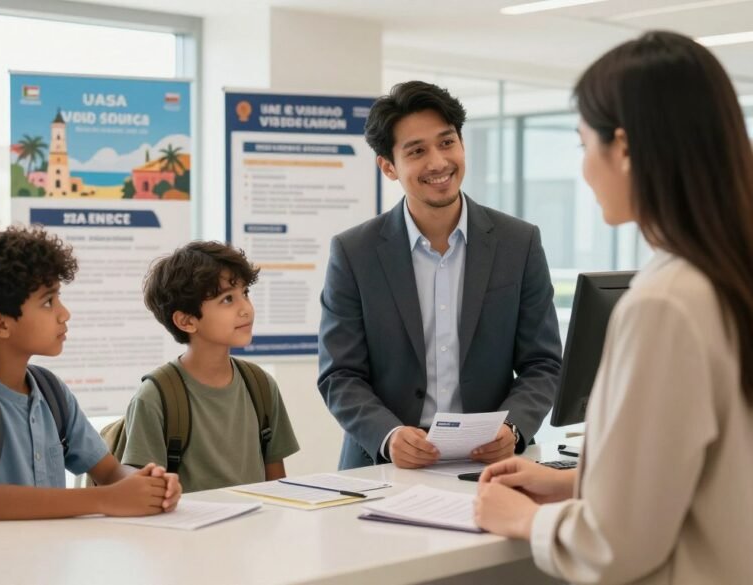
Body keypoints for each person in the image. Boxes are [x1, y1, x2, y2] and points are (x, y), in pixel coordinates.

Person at [474, 31, 753, 584]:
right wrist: (582, 480)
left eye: (582, 145)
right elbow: (721, 473)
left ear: (622, 148)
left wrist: (526, 519)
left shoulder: (667, 303)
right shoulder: (728, 278)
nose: (584, 169)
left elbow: (615, 546)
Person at [318, 81, 562, 470]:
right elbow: (340, 374)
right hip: (384, 467)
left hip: (488, 465)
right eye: (416, 151)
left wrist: (513, 427)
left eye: (446, 143)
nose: (437, 162)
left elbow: (543, 363)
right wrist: (389, 435)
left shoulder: (519, 242)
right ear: (388, 166)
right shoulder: (354, 253)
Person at [0, 224, 180, 525]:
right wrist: (105, 499)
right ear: (0, 325)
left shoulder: (50, 390)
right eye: (48, 302)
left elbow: (109, 472)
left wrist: (148, 484)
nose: (64, 313)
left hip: (48, 560)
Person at [119, 241, 300, 492]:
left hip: (257, 528)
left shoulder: (260, 384)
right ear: (186, 321)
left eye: (245, 293)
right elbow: (145, 496)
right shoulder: (154, 397)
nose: (245, 309)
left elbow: (278, 485)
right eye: (227, 299)